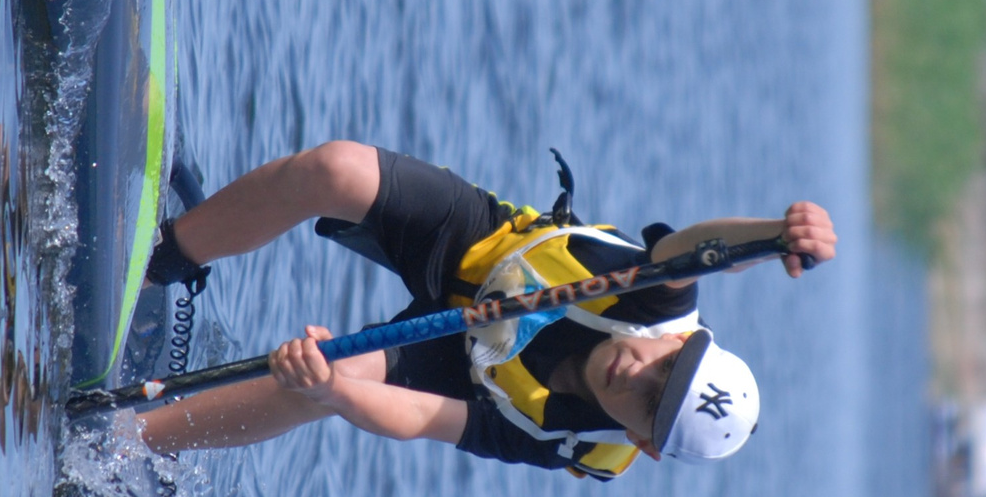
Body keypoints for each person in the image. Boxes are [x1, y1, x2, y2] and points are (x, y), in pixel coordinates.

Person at [129, 142, 836, 478]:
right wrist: (773, 235)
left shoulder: (565, 439)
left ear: (643, 442)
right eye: (665, 367)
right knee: (336, 170)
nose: (637, 374)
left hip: (457, 369)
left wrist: (332, 390)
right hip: (481, 249)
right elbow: (699, 247)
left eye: (651, 403)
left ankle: (132, 442)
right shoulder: (663, 292)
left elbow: (425, 419)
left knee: (331, 382)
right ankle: (161, 260)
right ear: (680, 340)